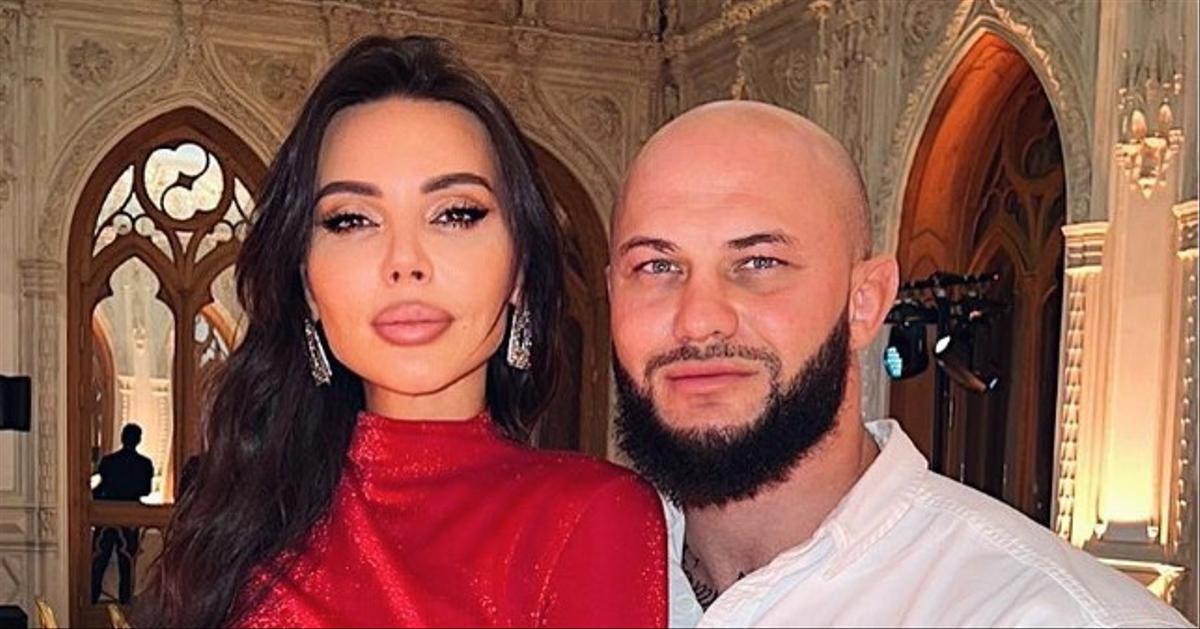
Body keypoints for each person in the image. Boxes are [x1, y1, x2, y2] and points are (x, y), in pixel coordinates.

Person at [145, 36, 666, 628]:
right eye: (352, 220)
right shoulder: (242, 524)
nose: (405, 262)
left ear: (519, 269)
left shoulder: (592, 517)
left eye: (456, 214)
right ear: (308, 283)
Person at [607, 100, 1190, 627]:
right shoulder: (578, 573)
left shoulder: (1060, 617)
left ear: (865, 302)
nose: (699, 320)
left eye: (759, 262)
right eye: (656, 266)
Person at [91, 423, 153, 604]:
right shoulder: (144, 464)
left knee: (99, 560)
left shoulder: (109, 461)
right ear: (139, 440)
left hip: (107, 512)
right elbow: (146, 490)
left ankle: (91, 599)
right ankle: (125, 602)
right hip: (129, 513)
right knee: (127, 563)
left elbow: (101, 486)